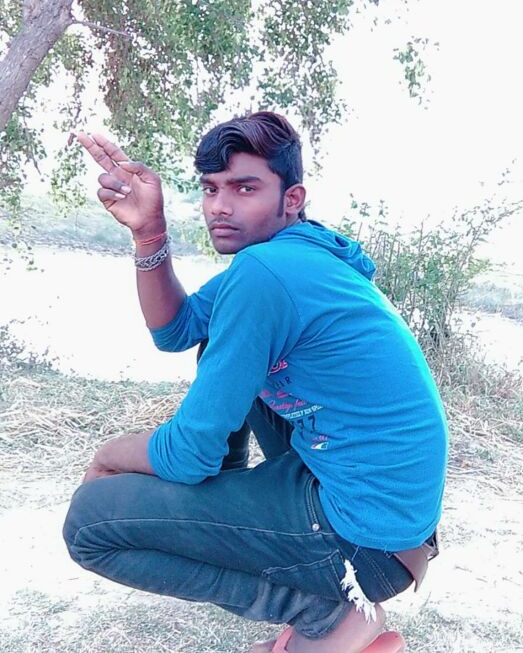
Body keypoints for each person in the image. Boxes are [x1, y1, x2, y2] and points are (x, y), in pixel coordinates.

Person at [64, 112, 448, 653]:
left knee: (89, 525)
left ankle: (325, 611)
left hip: (363, 540)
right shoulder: (296, 257)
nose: (220, 206)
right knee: (214, 341)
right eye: (211, 189)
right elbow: (175, 329)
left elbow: (187, 454)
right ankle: (240, 522)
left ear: (292, 198)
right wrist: (150, 233)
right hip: (391, 525)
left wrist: (108, 455)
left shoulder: (266, 273)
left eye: (245, 188)